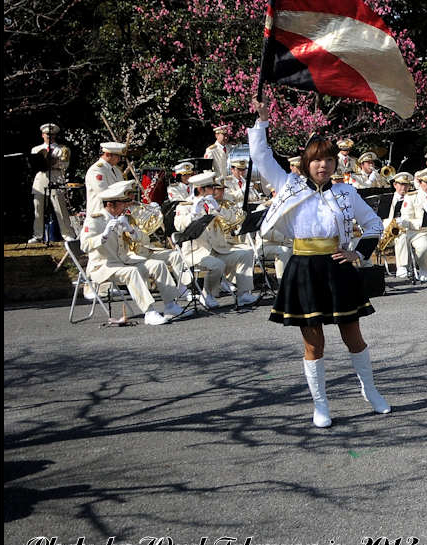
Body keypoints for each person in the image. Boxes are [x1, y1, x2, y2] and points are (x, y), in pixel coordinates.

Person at [248, 98, 388, 428]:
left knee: (353, 336)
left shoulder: (346, 193)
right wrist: (262, 122)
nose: (322, 165)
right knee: (314, 342)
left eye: (327, 160)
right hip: (304, 269)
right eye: (316, 160)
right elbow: (261, 157)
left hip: (337, 268)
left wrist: (358, 253)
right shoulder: (289, 185)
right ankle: (320, 404)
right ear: (306, 163)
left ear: (334, 164)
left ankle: (370, 390)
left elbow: (375, 225)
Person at [80, 180, 187, 325]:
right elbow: (84, 246)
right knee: (132, 272)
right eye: (122, 203)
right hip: (104, 266)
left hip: (124, 260)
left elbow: (144, 240)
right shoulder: (94, 220)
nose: (125, 206)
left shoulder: (124, 217)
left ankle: (171, 305)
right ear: (110, 204)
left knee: (158, 265)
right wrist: (103, 235)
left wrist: (130, 230)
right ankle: (149, 312)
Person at [185, 171, 260, 308]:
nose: (213, 191)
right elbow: (180, 226)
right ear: (201, 189)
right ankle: (207, 294)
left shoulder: (214, 204)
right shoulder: (185, 206)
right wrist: (194, 212)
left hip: (219, 249)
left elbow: (232, 219)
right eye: (210, 188)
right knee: (217, 264)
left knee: (247, 252)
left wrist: (219, 209)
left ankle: (243, 294)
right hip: (197, 251)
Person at [30, 122, 77, 242]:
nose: (50, 137)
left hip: (56, 177)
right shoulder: (36, 149)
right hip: (41, 178)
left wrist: (53, 162)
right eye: (47, 135)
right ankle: (38, 235)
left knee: (60, 208)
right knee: (38, 208)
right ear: (42, 135)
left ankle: (67, 234)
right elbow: (33, 164)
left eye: (52, 135)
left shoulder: (62, 149)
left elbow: (65, 165)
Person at [382, 172, 415, 279]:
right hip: (389, 232)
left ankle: (408, 266)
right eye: (401, 184)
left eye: (406, 185)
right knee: (401, 236)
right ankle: (402, 267)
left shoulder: (412, 198)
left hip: (409, 229)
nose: (404, 188)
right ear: (395, 185)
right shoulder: (387, 199)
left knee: (405, 235)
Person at [85, 142, 127, 217]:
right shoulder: (96, 170)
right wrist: (124, 200)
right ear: (107, 154)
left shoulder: (116, 170)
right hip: (100, 215)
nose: (119, 159)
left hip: (115, 214)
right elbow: (104, 193)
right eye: (117, 156)